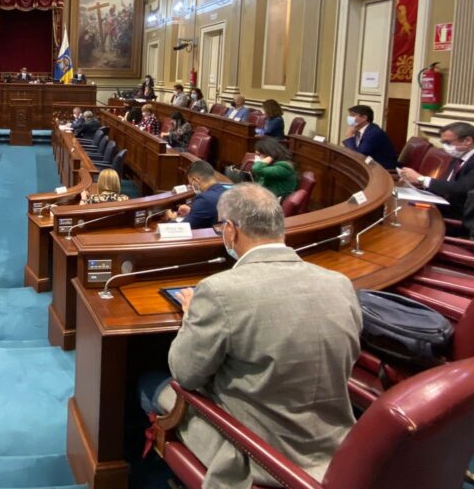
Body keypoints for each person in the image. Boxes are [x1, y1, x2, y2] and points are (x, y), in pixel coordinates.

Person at [145, 184, 361, 489]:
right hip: (333, 449)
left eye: (222, 227)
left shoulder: (219, 290)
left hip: (256, 454)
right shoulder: (340, 283)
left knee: (147, 382)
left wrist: (192, 314)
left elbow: (185, 374)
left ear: (231, 231)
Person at [399, 122, 474, 223]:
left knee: (409, 218)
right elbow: (448, 184)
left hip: (467, 219)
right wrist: (418, 186)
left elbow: (463, 188)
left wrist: (421, 179)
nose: (445, 147)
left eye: (448, 142)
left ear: (467, 141)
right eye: (443, 142)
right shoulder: (460, 156)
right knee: (405, 205)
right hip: (449, 208)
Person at [165, 161, 229, 229]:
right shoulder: (227, 192)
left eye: (190, 184)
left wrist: (171, 219)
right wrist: (192, 212)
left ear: (195, 180)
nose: (191, 187)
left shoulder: (204, 199)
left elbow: (182, 230)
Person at [342, 104, 397, 170]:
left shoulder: (374, 133)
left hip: (382, 169)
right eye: (350, 115)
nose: (349, 118)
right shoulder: (358, 129)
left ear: (364, 118)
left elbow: (358, 155)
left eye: (353, 115)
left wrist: (349, 136)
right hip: (369, 165)